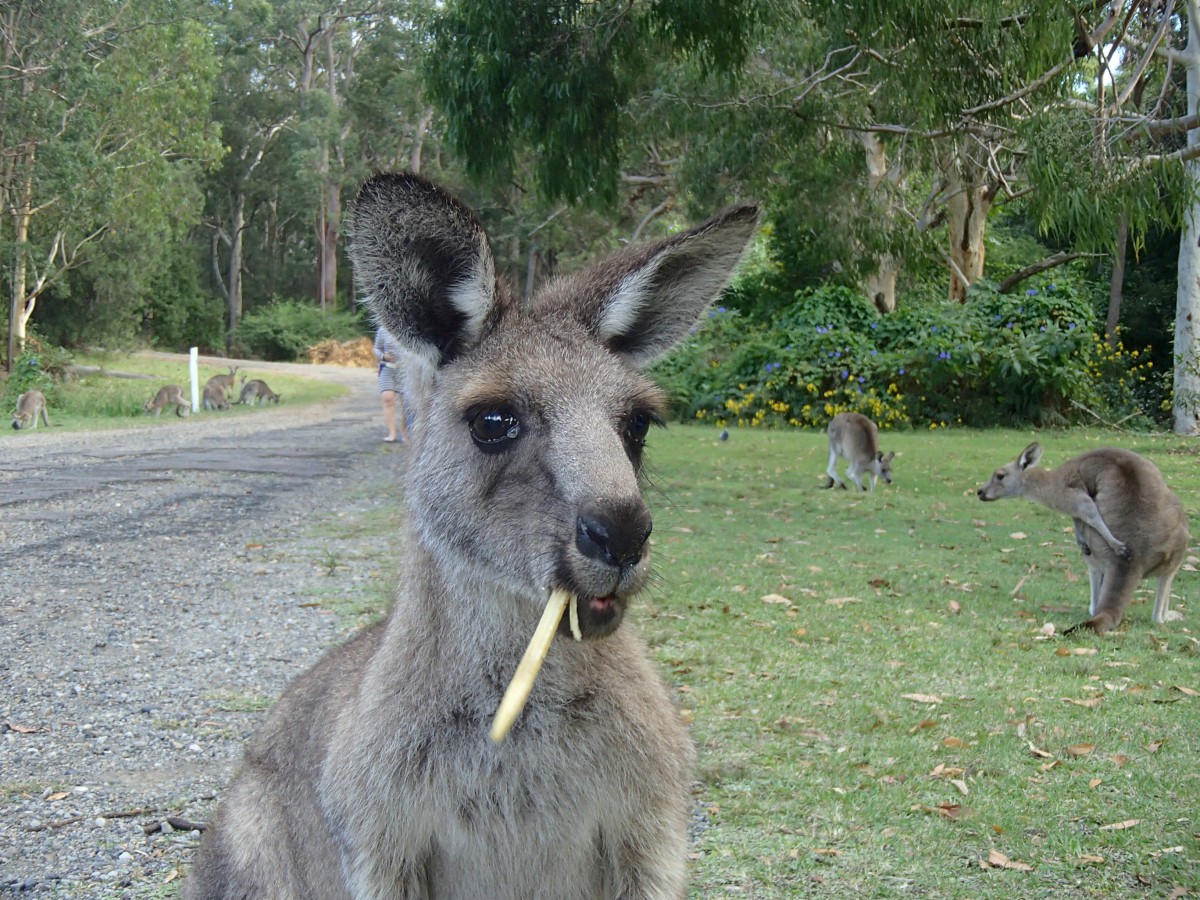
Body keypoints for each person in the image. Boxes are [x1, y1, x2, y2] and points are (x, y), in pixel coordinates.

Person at [374, 326, 410, 444]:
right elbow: (376, 349)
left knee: (406, 404)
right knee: (388, 399)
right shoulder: (382, 330)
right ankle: (392, 433)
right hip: (387, 368)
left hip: (404, 370)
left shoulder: (406, 328)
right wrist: (383, 356)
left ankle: (406, 433)